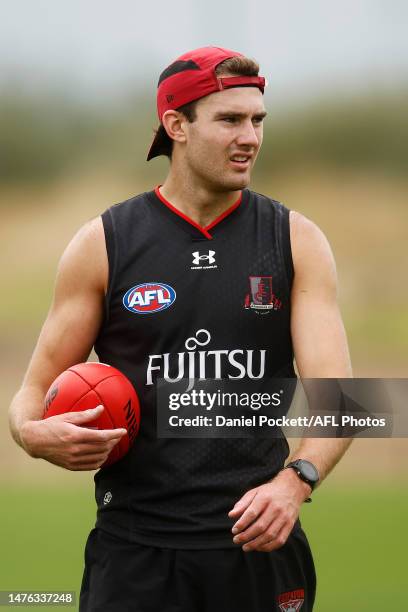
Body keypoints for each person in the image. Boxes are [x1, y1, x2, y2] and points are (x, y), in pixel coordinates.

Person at [9, 46, 353, 612]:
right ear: (177, 126)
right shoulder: (103, 243)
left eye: (257, 120)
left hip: (258, 549)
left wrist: (297, 482)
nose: (251, 137)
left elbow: (344, 402)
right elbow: (29, 394)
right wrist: (31, 434)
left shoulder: (296, 240)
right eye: (230, 120)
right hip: (136, 553)